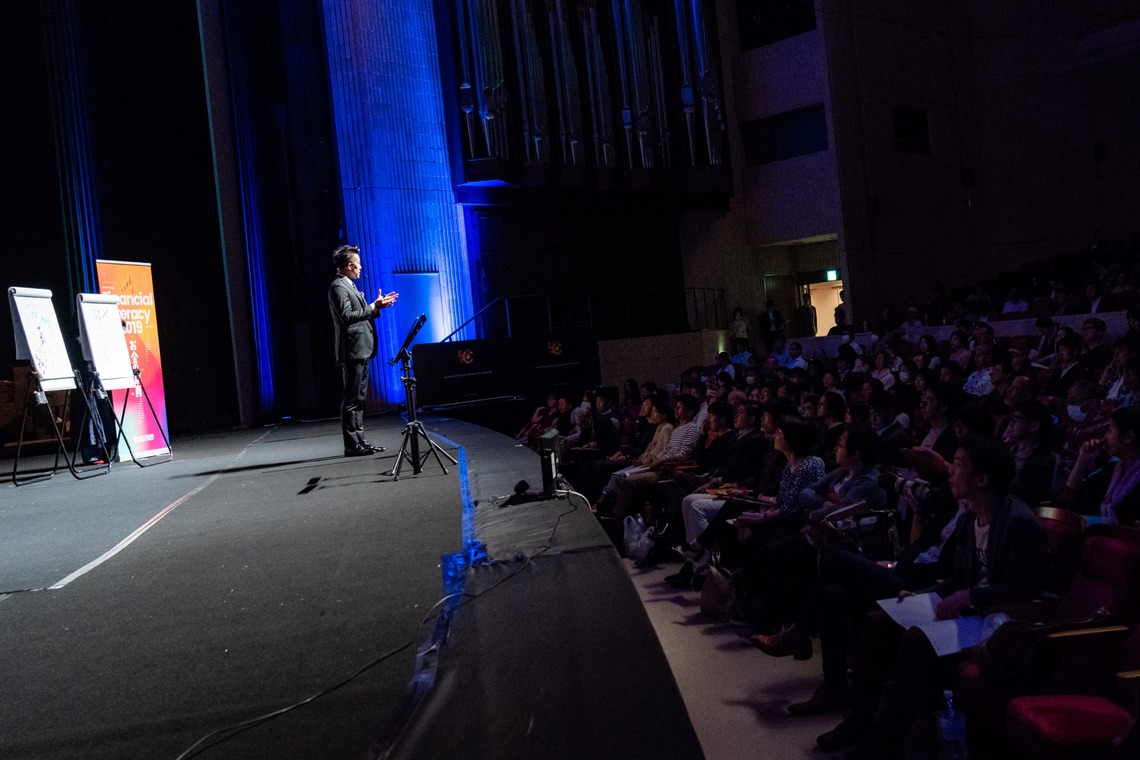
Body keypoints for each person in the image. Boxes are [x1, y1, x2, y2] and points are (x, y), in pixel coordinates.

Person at [328, 244, 398, 456]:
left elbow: (358, 314)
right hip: (352, 350)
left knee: (359, 398)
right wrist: (372, 307)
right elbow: (347, 316)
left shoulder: (348, 284)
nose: (360, 268)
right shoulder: (338, 286)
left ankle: (360, 441)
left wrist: (374, 308)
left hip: (362, 349)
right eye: (358, 265)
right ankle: (352, 445)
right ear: (349, 266)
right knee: (351, 400)